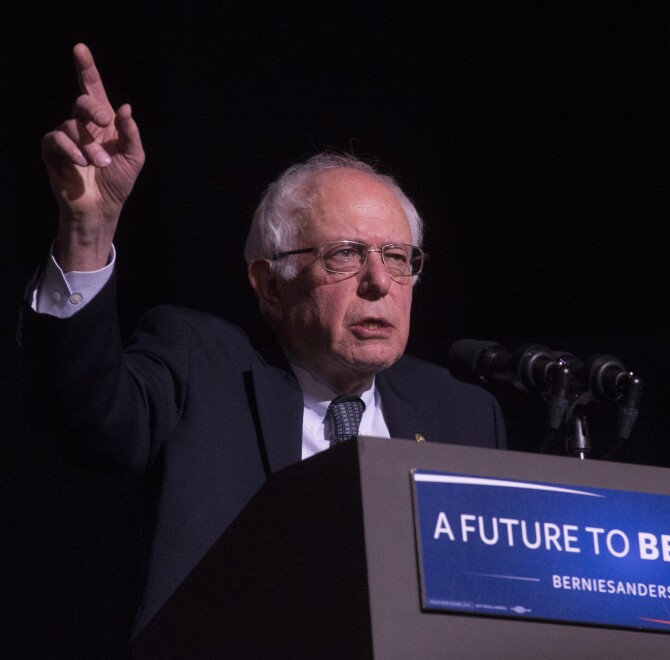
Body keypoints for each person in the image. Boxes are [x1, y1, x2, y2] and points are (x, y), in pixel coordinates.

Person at [21, 43, 505, 638]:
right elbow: (81, 409)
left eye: (398, 257)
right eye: (346, 255)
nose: (380, 282)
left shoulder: (462, 413)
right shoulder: (200, 364)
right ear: (268, 285)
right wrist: (87, 230)